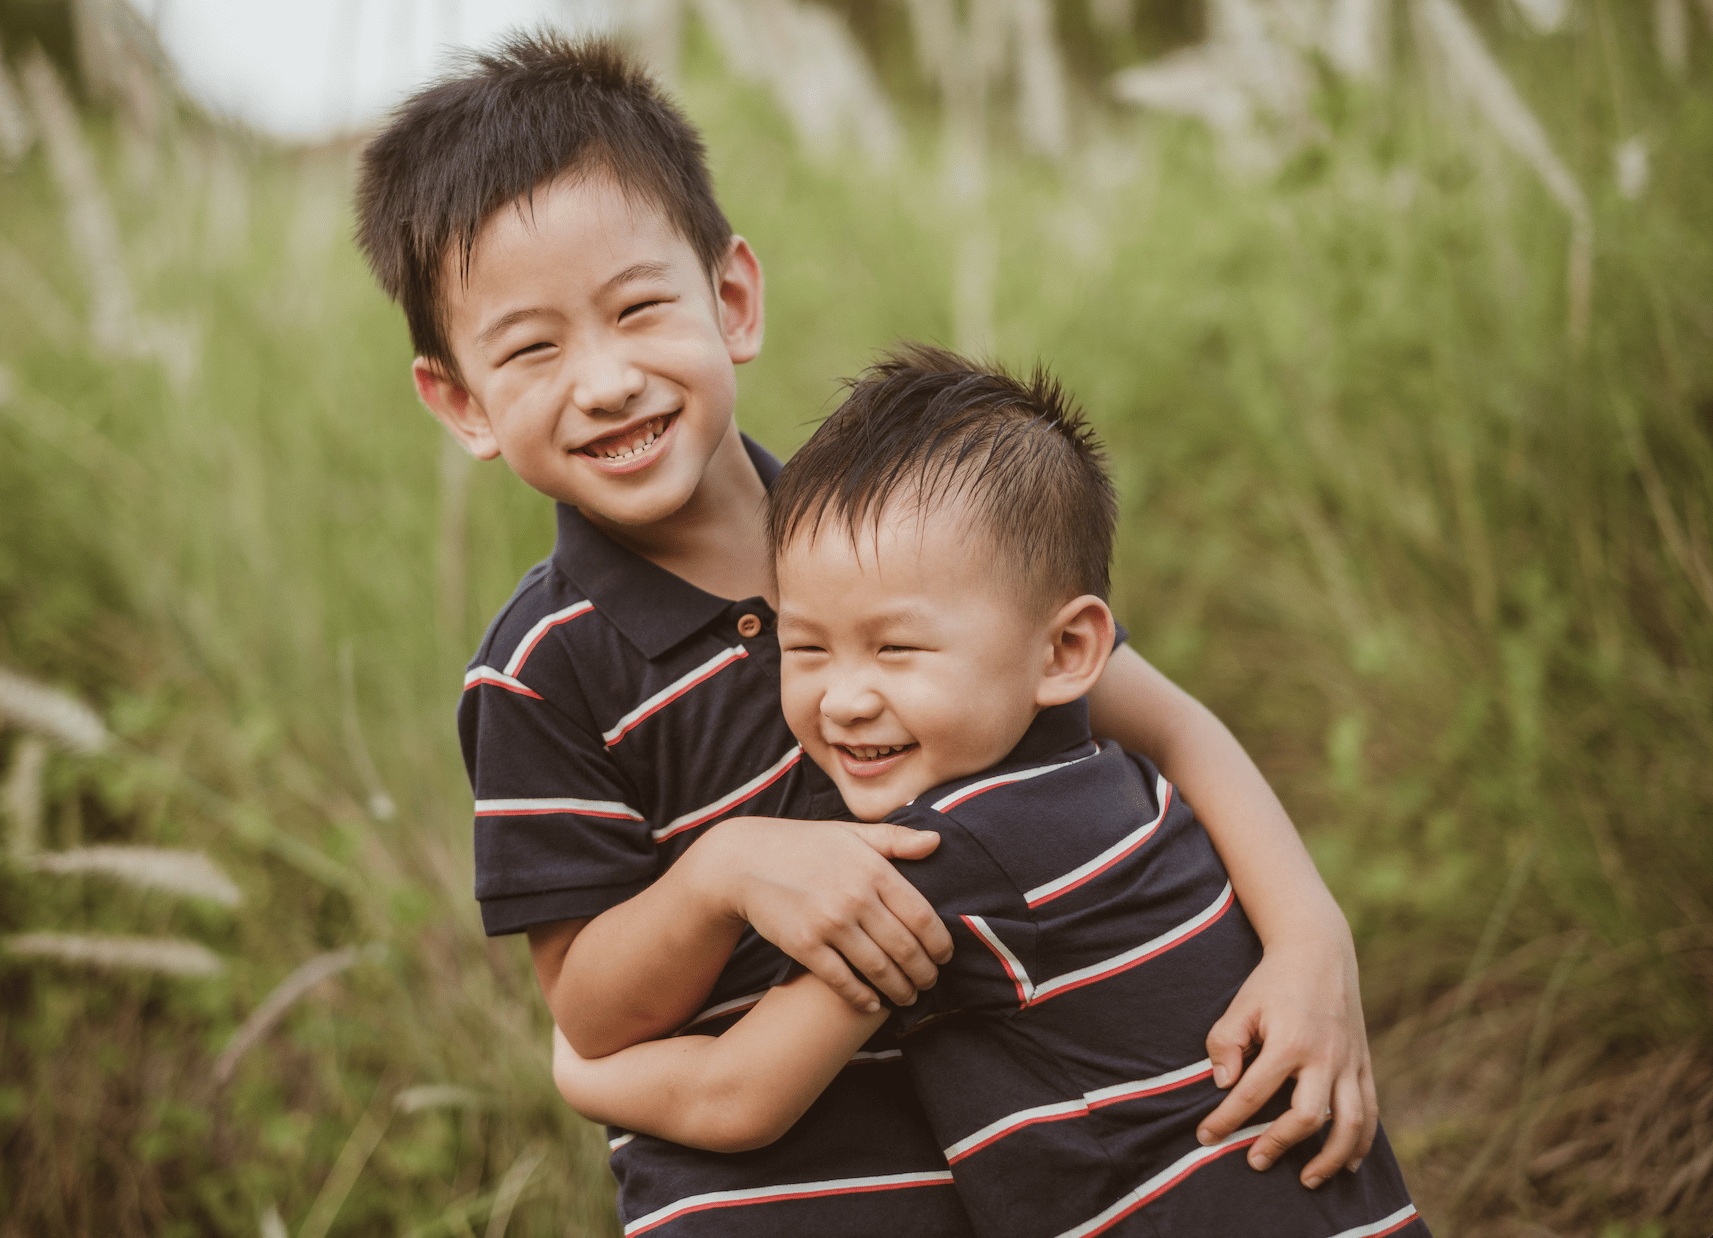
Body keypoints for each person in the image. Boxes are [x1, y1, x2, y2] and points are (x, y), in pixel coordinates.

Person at [354, 32, 1377, 1235]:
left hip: (1011, 1158)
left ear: (730, 299)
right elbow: (590, 1007)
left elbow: (1173, 726)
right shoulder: (540, 669)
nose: (606, 380)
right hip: (761, 1193)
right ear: (463, 401)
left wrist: (1313, 939)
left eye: (638, 309)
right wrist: (729, 870)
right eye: (532, 349)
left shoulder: (895, 536)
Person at [554, 345, 1426, 1238]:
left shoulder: (948, 859)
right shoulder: (1112, 789)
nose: (845, 698)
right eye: (807, 649)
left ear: (1064, 653)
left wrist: (581, 1069)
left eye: (897, 649)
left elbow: (737, 1098)